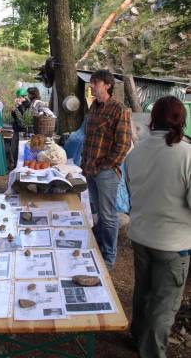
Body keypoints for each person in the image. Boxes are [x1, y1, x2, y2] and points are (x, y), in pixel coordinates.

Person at [125, 96, 191, 358]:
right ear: (181, 120)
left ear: (153, 120)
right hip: (173, 242)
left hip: (141, 235)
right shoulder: (186, 154)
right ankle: (151, 352)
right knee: (164, 305)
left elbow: (132, 192)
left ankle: (137, 336)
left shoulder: (136, 152)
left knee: (143, 290)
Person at [81, 70, 132, 270]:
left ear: (107, 85)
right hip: (90, 170)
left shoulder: (119, 109)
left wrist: (106, 165)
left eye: (95, 82)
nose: (91, 85)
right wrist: (85, 164)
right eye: (91, 82)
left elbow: (123, 144)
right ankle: (100, 248)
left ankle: (109, 258)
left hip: (105, 172)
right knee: (100, 213)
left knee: (108, 215)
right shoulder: (93, 107)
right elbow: (88, 139)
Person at [11, 87, 30, 166]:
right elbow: (16, 117)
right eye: (18, 97)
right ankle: (14, 163)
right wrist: (13, 111)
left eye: (19, 97)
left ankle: (21, 164)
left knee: (22, 148)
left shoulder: (27, 104)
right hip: (16, 128)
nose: (18, 98)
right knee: (14, 147)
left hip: (23, 129)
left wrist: (20, 105)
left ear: (23, 97)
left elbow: (24, 116)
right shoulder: (18, 104)